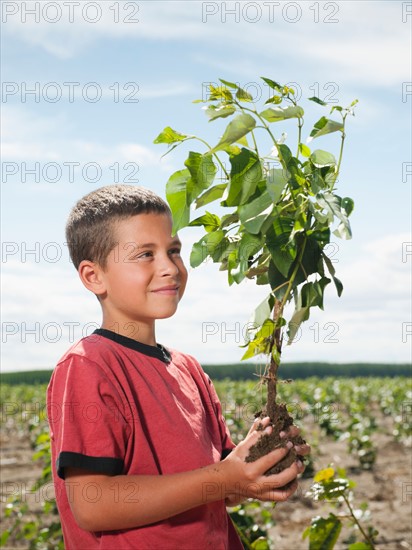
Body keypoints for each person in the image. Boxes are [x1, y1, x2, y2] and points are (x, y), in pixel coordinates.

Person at [47, 184, 309, 549]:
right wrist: (223, 477)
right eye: (145, 255)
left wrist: (258, 466)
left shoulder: (188, 369)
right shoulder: (89, 365)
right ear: (94, 276)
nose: (169, 268)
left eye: (173, 251)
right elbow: (94, 504)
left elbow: (225, 489)